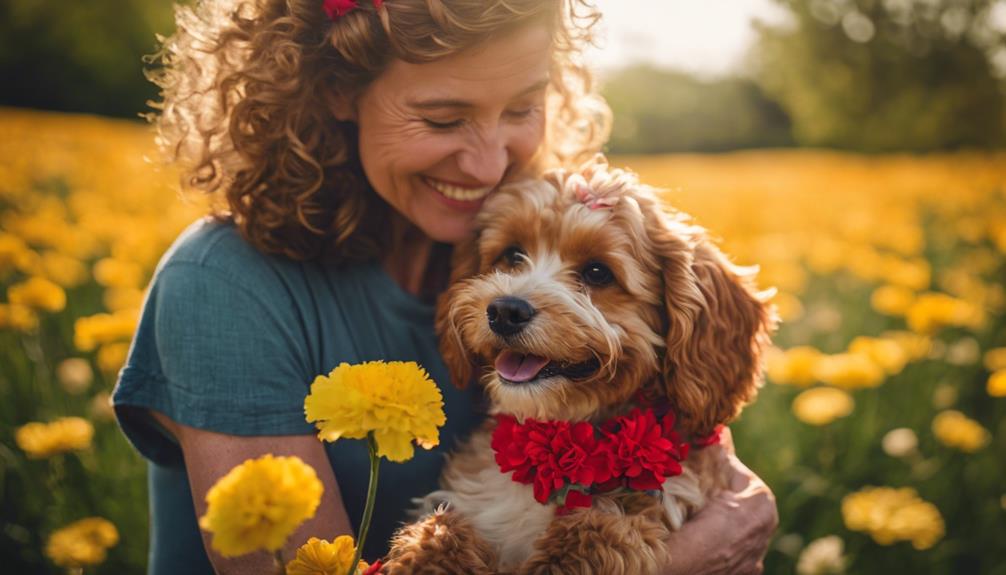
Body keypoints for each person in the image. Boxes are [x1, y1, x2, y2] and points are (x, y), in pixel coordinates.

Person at [112, 1, 778, 574]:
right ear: (337, 91)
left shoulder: (496, 244)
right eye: (441, 118)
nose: (490, 164)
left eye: (522, 107)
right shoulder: (223, 286)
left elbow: (709, 462)